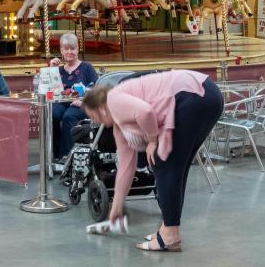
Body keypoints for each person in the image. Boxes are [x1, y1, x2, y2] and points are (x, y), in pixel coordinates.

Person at [82, 70, 224, 252]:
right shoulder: (120, 127)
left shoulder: (114, 100)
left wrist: (152, 140)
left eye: (93, 116)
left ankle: (170, 235)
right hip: (206, 95)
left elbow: (146, 112)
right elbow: (126, 167)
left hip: (193, 94)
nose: (94, 121)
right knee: (176, 166)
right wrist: (116, 207)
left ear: (100, 109)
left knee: (163, 161)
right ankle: (168, 228)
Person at [48, 32, 98, 161]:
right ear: (61, 50)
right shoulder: (59, 70)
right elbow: (51, 90)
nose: (69, 52)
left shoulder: (87, 67)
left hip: (81, 103)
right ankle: (56, 154)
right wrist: (52, 70)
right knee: (51, 114)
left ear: (78, 49)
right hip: (62, 102)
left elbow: (96, 90)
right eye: (66, 49)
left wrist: (84, 102)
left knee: (69, 116)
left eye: (73, 48)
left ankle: (66, 155)